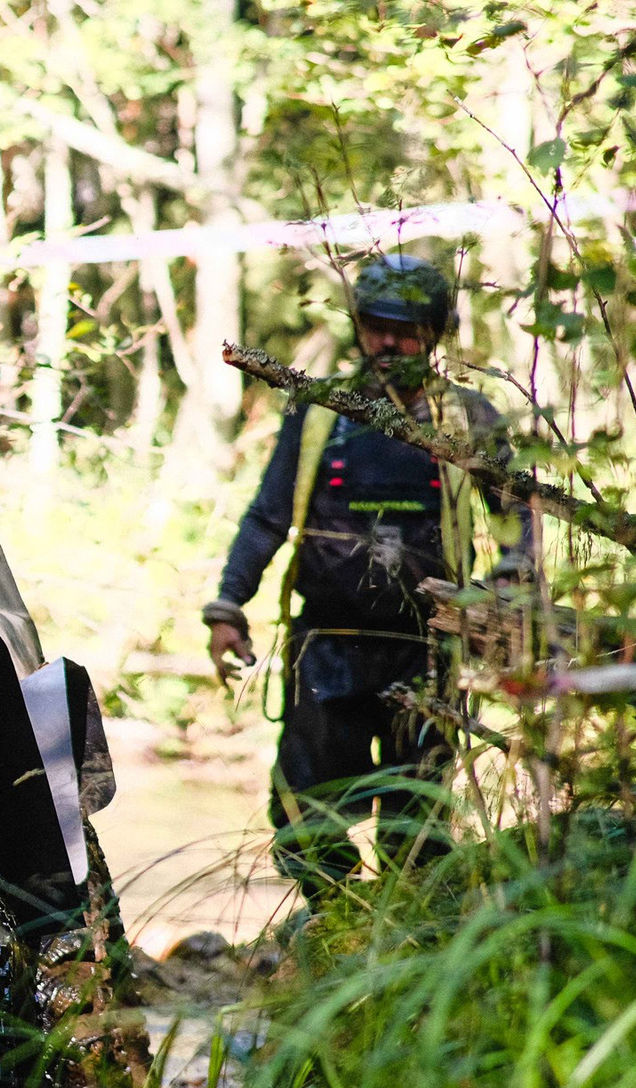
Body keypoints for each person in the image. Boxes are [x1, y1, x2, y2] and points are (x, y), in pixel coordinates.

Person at [202, 254, 531, 897]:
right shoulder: (322, 410)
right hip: (325, 647)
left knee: (420, 824)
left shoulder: (470, 419)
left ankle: (407, 945)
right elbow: (268, 516)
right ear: (358, 327)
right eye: (377, 326)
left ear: (436, 333)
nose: (389, 342)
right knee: (306, 813)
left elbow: (521, 515)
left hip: (431, 650)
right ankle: (334, 922)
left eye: (406, 329)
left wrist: (511, 581)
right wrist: (227, 608)